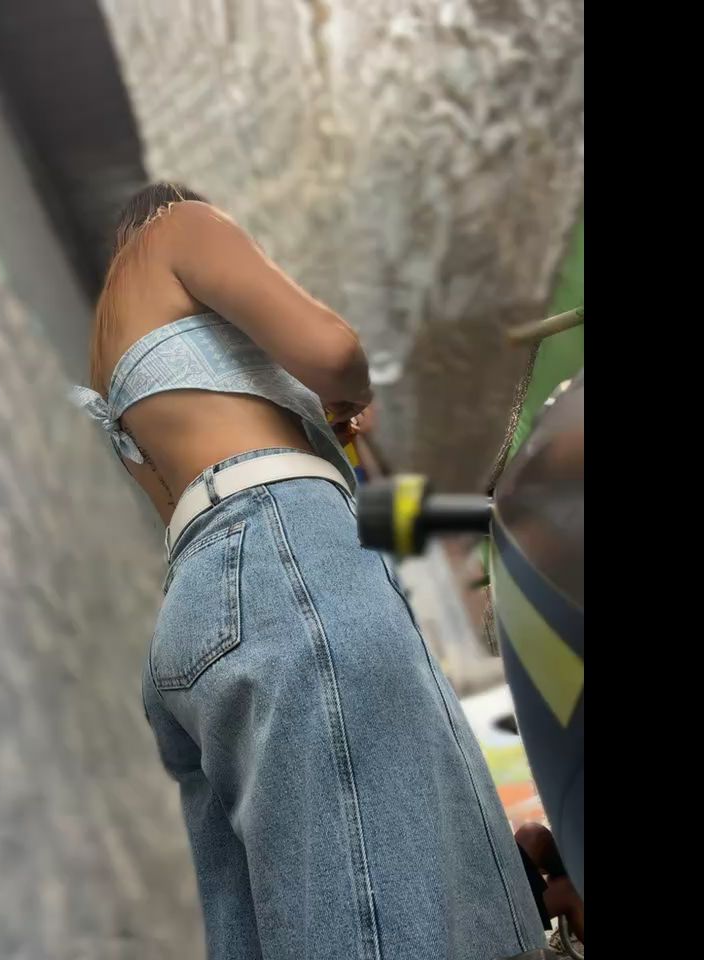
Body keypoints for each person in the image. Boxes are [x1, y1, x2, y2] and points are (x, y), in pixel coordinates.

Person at [72, 183, 544, 960]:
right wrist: (349, 391)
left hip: (198, 613)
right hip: (282, 555)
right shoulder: (178, 227)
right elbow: (333, 350)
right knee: (384, 910)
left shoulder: (113, 357)